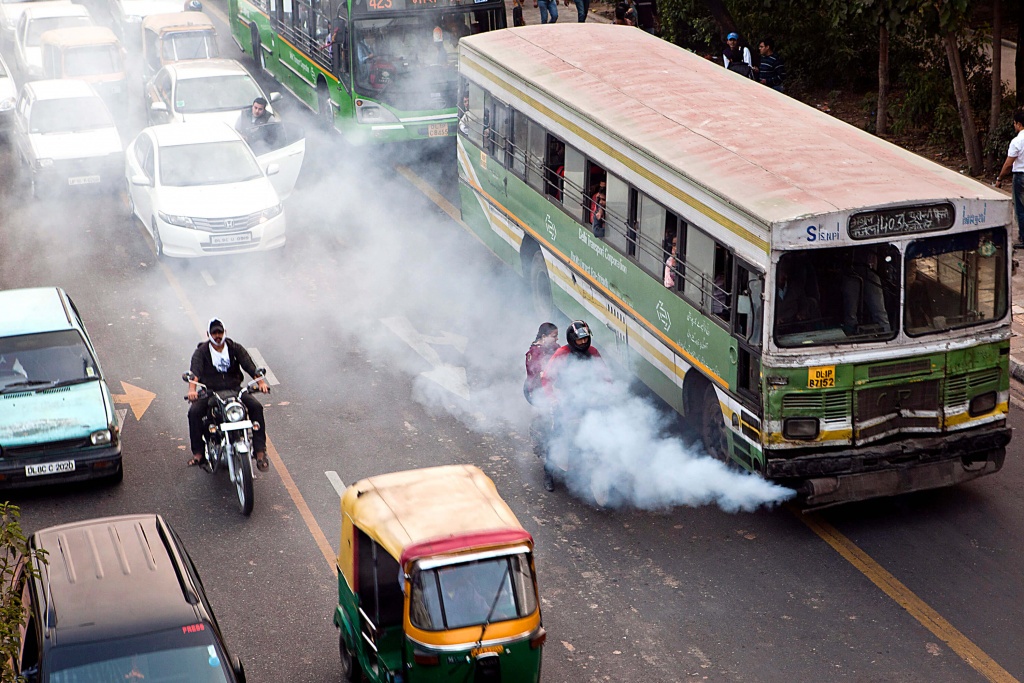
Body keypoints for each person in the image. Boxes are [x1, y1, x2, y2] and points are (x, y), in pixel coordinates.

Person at [187, 319, 270, 471]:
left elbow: (249, 366)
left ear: (225, 332)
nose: (217, 336)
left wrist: (261, 383)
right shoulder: (202, 352)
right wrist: (192, 390)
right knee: (194, 412)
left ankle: (259, 451)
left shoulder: (234, 348)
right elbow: (195, 373)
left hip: (234, 389)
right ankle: (198, 453)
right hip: (211, 391)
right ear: (208, 334)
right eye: (214, 333)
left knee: (256, 407)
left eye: (220, 332)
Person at [539, 320, 607, 492]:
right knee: (558, 438)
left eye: (585, 340)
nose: (583, 343)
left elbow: (605, 376)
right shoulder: (562, 354)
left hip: (587, 401)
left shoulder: (593, 352)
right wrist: (553, 399)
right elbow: (546, 378)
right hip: (566, 402)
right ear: (571, 340)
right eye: (579, 341)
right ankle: (549, 474)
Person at [841, 251, 889, 335]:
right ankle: (850, 336)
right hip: (850, 269)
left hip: (871, 269)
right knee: (850, 311)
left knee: (879, 309)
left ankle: (887, 334)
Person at [995, 107, 1024, 248]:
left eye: (1014, 123)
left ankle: (1023, 238)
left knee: (1020, 207)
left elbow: (1008, 164)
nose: (1014, 126)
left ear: (1019, 124)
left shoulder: (1017, 142)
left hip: (1021, 176)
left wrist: (1000, 178)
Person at [524, 322, 558, 405]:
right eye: (554, 336)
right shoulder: (534, 353)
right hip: (537, 391)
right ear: (543, 337)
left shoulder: (553, 346)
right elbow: (541, 375)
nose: (557, 339)